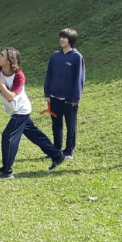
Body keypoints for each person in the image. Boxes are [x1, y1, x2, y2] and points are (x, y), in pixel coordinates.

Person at [0, 47, 66, 180]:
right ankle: (57, 156)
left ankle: (6, 172)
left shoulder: (19, 76)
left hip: (21, 111)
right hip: (14, 111)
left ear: (10, 60)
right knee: (34, 135)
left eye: (2, 55)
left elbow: (10, 97)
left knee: (8, 136)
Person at [43, 28, 86, 160]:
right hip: (54, 97)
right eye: (61, 37)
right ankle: (56, 151)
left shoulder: (77, 57)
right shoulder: (55, 56)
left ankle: (68, 151)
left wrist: (76, 97)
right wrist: (47, 93)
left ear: (71, 40)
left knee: (70, 125)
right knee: (56, 125)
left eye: (65, 37)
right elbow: (49, 74)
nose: (61, 40)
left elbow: (80, 78)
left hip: (69, 99)